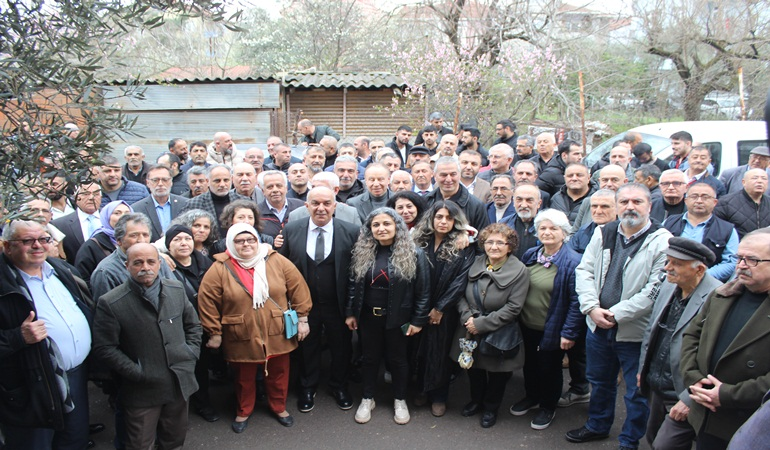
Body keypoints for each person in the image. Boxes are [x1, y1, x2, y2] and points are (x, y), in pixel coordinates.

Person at [567, 183, 672, 449]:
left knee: (637, 393)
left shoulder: (662, 241)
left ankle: (629, 440)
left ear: (649, 205)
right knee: (600, 382)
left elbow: (654, 291)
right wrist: (591, 308)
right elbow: (584, 271)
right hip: (598, 326)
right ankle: (597, 425)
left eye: (637, 201)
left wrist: (614, 314)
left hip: (635, 332)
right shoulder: (604, 232)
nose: (630, 207)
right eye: (624, 202)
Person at [198, 223, 312, 432]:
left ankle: (279, 407)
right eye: (239, 241)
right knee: (243, 376)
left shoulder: (276, 260)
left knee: (279, 372)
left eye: (250, 239)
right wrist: (214, 331)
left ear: (257, 240)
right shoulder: (220, 268)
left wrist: (303, 318)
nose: (246, 244)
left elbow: (298, 288)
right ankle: (243, 411)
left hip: (276, 328)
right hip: (240, 333)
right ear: (231, 244)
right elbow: (207, 301)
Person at [92, 243, 201, 450]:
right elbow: (105, 347)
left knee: (174, 439)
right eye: (138, 262)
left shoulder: (175, 289)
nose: (145, 267)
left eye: (151, 261)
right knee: (140, 444)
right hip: (142, 390)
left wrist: (190, 353)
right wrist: (137, 372)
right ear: (127, 266)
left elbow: (193, 325)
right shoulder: (112, 302)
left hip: (179, 382)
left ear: (159, 264)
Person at [0, 220, 93, 450]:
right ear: (7, 246)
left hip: (74, 376)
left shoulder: (59, 270)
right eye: (27, 241)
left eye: (43, 239)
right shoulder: (4, 284)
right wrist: (18, 337)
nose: (37, 246)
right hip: (31, 386)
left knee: (74, 440)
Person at [680, 228, 770, 449]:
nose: (741, 265)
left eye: (753, 260)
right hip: (706, 413)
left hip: (749, 421)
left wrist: (728, 395)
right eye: (740, 258)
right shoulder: (722, 294)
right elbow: (692, 335)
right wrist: (694, 378)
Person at [345, 208, 430, 425]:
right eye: (376, 225)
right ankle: (367, 398)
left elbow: (423, 291)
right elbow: (354, 286)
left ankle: (400, 399)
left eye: (386, 224)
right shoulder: (363, 251)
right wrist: (350, 313)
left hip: (399, 319)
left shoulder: (414, 253)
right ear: (369, 229)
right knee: (369, 358)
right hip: (367, 318)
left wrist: (418, 320)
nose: (381, 229)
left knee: (398, 360)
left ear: (397, 227)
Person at [279, 187, 360, 413]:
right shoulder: (292, 230)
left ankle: (339, 386)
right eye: (315, 203)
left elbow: (357, 271)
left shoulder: (352, 231)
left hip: (338, 304)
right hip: (304, 306)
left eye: (326, 203)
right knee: (307, 347)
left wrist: (351, 308)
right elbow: (282, 268)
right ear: (307, 206)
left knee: (341, 347)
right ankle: (307, 387)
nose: (321, 208)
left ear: (335, 206)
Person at [638, 237, 722, 450]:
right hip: (657, 385)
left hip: (682, 391)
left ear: (699, 269)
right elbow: (651, 330)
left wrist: (689, 399)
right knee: (652, 437)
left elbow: (718, 357)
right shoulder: (669, 284)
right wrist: (643, 370)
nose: (668, 268)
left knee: (665, 445)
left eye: (676, 263)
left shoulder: (718, 297)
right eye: (668, 261)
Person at [509, 210, 583, 431]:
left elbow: (576, 303)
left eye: (553, 228)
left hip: (552, 327)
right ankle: (532, 396)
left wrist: (569, 333)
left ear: (564, 233)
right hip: (527, 324)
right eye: (543, 228)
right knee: (530, 364)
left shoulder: (572, 262)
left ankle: (548, 406)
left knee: (549, 368)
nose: (547, 232)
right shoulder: (531, 254)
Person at [454, 223, 529, 428]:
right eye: (489, 242)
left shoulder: (520, 271)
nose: (494, 247)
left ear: (510, 246)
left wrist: (482, 324)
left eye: (499, 242)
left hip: (498, 329)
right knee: (473, 368)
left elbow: (514, 307)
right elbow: (459, 294)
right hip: (469, 326)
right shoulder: (474, 262)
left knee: (497, 373)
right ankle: (476, 400)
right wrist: (467, 317)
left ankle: (490, 407)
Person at [412, 201, 475, 417]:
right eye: (439, 217)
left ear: (456, 222)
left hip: (445, 310)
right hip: (419, 305)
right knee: (418, 351)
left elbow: (461, 280)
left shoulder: (463, 245)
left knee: (440, 353)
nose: (443, 221)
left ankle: (439, 395)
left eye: (449, 218)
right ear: (431, 218)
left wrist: (440, 308)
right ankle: (421, 389)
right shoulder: (419, 240)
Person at [164, 224, 218, 422]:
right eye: (176, 239)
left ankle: (203, 400)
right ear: (168, 246)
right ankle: (196, 404)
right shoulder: (164, 267)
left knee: (203, 365)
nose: (183, 243)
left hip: (207, 321)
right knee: (191, 367)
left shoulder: (206, 262)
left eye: (186, 238)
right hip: (181, 327)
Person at [664, 183, 739, 282]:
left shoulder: (727, 229)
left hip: (705, 284)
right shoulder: (669, 222)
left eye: (705, 197)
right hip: (668, 278)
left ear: (715, 202)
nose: (699, 201)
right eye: (694, 196)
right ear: (686, 201)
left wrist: (702, 275)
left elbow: (731, 262)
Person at [74, 200, 132, 288]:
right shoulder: (92, 245)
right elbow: (83, 278)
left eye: (127, 213)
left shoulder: (138, 239)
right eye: (117, 213)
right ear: (107, 217)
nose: (123, 217)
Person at [130, 165, 189, 242]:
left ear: (171, 182)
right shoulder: (137, 209)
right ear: (148, 183)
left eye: (165, 180)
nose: (160, 184)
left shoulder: (186, 204)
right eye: (155, 180)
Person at [51, 181, 103, 265]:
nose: (91, 197)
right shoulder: (59, 225)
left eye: (96, 194)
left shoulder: (111, 219)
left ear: (101, 197)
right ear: (76, 197)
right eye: (85, 194)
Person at [714, 168, 770, 239]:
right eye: (755, 178)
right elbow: (718, 230)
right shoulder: (725, 202)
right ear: (743, 182)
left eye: (764, 179)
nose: (759, 181)